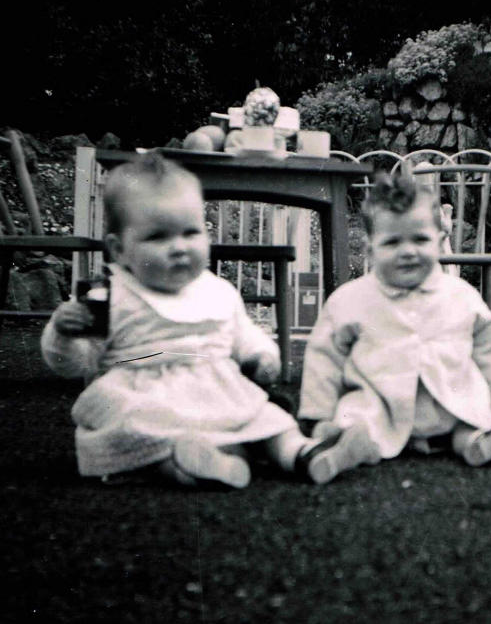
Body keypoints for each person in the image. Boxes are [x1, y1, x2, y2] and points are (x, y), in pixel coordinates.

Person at [41, 152, 379, 488]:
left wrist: (261, 356)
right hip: (145, 393)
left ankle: (306, 454)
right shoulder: (109, 295)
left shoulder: (217, 290)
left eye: (191, 233)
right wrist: (63, 334)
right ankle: (187, 465)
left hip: (215, 389)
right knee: (141, 426)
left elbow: (242, 333)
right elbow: (74, 363)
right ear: (118, 249)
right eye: (158, 237)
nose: (179, 247)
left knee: (268, 417)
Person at [298, 169, 491, 466]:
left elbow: (487, 352)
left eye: (420, 240)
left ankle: (479, 444)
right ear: (371, 249)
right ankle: (350, 448)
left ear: (439, 240)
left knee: (470, 418)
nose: (408, 251)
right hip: (381, 402)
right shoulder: (350, 300)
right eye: (393, 243)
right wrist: (318, 412)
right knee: (358, 419)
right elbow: (325, 357)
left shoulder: (461, 295)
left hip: (448, 401)